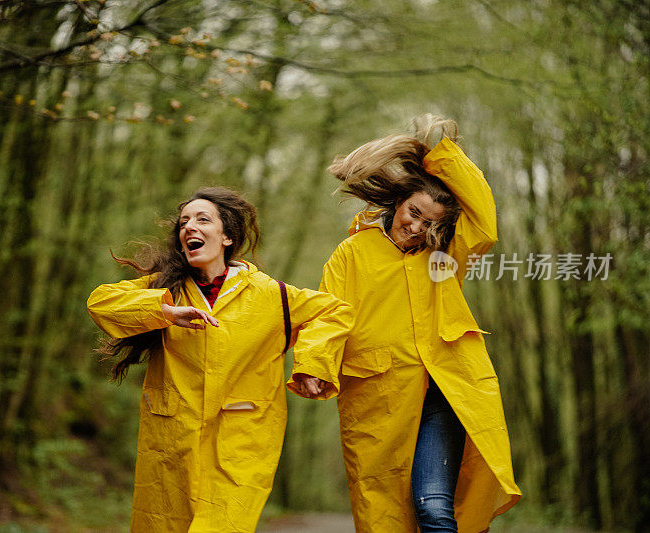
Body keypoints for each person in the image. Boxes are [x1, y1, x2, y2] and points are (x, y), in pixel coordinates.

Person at [87, 187, 354, 532]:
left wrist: (311, 364)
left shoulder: (272, 296)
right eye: (184, 222)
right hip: (171, 442)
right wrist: (163, 310)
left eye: (202, 219)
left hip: (241, 443)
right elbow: (101, 302)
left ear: (227, 236)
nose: (189, 227)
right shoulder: (166, 289)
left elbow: (334, 312)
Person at [320, 116, 521, 532]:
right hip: (380, 392)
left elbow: (484, 221)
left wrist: (439, 157)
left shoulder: (445, 257)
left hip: (445, 391)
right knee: (384, 514)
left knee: (433, 505)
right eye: (414, 213)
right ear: (397, 203)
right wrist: (315, 366)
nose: (416, 226)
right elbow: (329, 315)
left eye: (430, 222)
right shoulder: (353, 252)